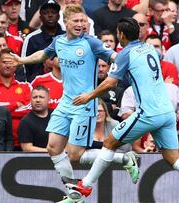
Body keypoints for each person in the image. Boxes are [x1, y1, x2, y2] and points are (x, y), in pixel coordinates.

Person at [65, 17, 179, 203]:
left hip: (148, 113)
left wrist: (89, 96)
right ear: (138, 33)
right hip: (167, 112)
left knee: (110, 143)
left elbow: (112, 82)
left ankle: (85, 186)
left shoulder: (125, 53)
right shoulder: (150, 48)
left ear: (120, 35)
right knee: (173, 158)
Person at [10, 5, 137, 203]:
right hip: (65, 103)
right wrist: (22, 60)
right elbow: (43, 55)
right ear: (66, 23)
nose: (80, 25)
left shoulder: (91, 43)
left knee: (75, 154)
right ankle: (74, 193)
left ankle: (125, 158)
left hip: (85, 105)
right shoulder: (58, 41)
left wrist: (129, 59)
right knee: (53, 148)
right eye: (76, 21)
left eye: (83, 21)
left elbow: (113, 56)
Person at [0, 48, 31, 151]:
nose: (8, 65)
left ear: (16, 65)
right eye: (4, 62)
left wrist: (2, 107)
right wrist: (16, 104)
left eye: (11, 62)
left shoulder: (26, 87)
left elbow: (29, 111)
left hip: (22, 142)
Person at [21, 0, 65, 82]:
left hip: (65, 83)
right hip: (38, 85)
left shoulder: (67, 36)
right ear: (40, 17)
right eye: (46, 13)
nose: (50, 15)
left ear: (58, 16)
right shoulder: (31, 38)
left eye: (53, 12)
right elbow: (24, 66)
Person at [18, 85, 51, 152]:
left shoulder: (56, 116)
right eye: (35, 97)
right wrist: (51, 151)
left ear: (49, 99)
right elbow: (27, 148)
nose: (38, 100)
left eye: (41, 97)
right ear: (31, 99)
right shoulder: (25, 122)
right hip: (36, 159)